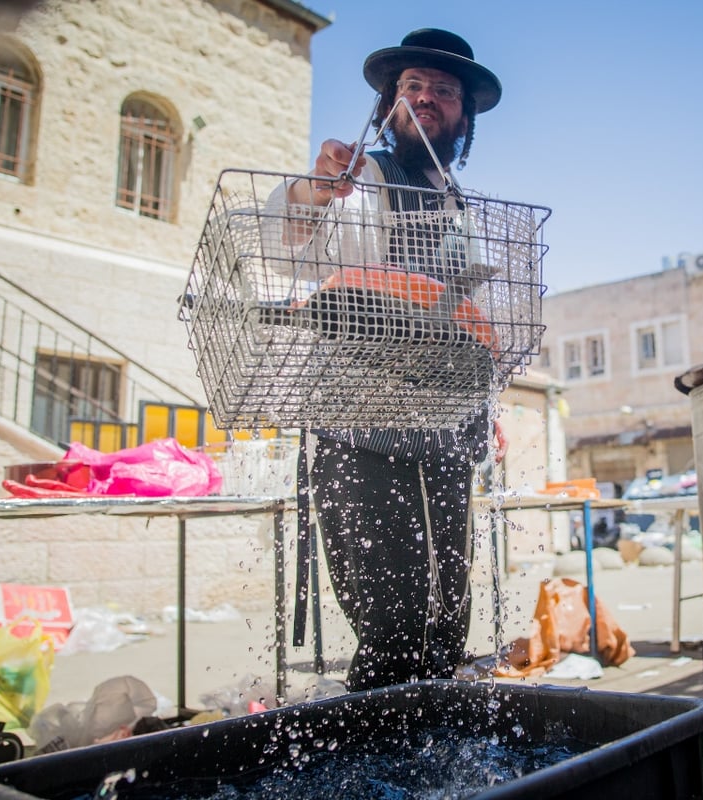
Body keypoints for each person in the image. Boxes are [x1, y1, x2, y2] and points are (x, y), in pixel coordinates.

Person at [270, 28, 502, 691]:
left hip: (444, 427)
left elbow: (470, 319)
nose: (427, 98)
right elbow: (296, 250)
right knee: (392, 620)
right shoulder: (363, 175)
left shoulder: (459, 204)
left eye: (445, 90)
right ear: (388, 105)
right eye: (413, 87)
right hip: (360, 421)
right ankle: (383, 762)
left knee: (446, 617)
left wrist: (486, 407)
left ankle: (441, 761)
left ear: (465, 114)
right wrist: (315, 193)